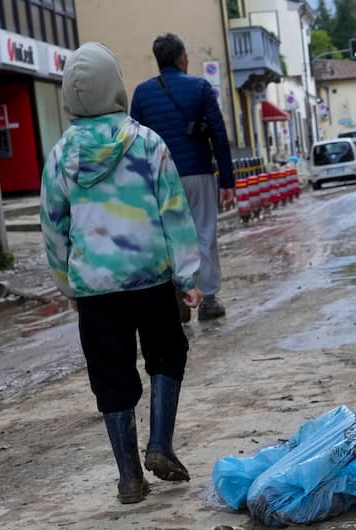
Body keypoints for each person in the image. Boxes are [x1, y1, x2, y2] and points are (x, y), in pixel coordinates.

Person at [41, 42, 203, 505]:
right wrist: (188, 277)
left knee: (109, 374)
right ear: (116, 85)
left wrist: (67, 283)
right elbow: (175, 213)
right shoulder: (148, 143)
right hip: (149, 277)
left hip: (95, 288)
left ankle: (130, 477)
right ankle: (160, 443)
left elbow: (53, 226)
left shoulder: (60, 156)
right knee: (167, 352)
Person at [130, 33, 234, 321]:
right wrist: (227, 181)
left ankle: (178, 295)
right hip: (198, 173)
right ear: (182, 58)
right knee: (204, 233)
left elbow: (133, 141)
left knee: (168, 237)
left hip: (160, 178)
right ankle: (209, 300)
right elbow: (219, 136)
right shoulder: (200, 87)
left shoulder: (141, 93)